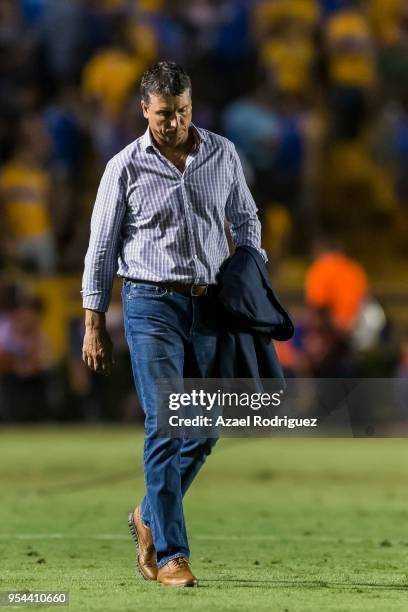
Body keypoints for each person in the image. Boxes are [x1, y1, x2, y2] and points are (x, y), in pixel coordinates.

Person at [81, 61, 267, 587]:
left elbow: (246, 218)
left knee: (205, 429)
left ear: (192, 104)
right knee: (165, 420)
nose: (174, 123)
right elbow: (100, 250)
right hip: (150, 303)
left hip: (209, 305)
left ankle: (147, 513)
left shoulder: (222, 153)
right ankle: (170, 554)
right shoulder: (123, 168)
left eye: (183, 112)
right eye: (164, 114)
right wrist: (93, 322)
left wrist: (252, 270)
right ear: (144, 109)